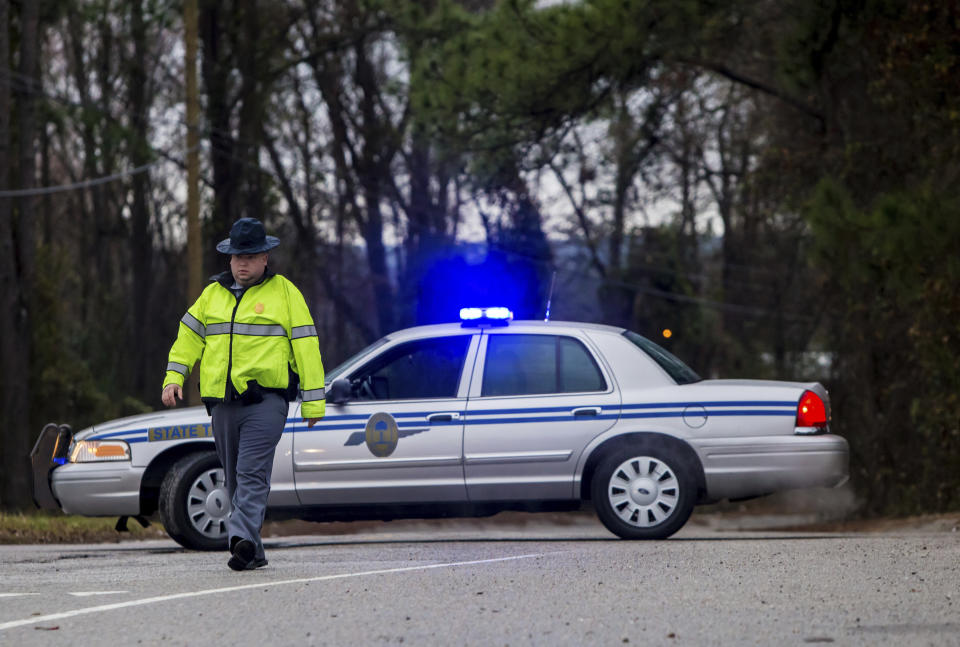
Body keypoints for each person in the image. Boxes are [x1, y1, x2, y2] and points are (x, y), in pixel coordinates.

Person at [161, 217, 324, 571]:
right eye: (237, 257)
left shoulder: (284, 293)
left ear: (265, 257)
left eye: (250, 256)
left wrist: (314, 402)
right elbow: (188, 338)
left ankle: (239, 539)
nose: (243, 263)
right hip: (222, 405)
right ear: (229, 259)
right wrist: (175, 376)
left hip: (266, 402)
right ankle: (254, 551)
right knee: (234, 477)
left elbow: (307, 347)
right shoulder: (211, 295)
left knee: (251, 473)